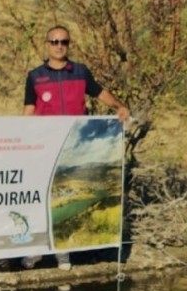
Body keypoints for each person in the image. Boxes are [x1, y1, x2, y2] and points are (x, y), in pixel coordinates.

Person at [22, 24, 129, 271]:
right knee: (42, 198)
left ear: (69, 45)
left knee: (61, 198)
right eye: (55, 41)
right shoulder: (35, 76)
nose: (59, 46)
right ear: (47, 44)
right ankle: (35, 251)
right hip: (44, 147)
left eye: (64, 42)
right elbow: (28, 110)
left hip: (73, 147)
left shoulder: (80, 72)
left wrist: (119, 106)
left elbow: (100, 92)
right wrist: (21, 140)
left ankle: (63, 253)